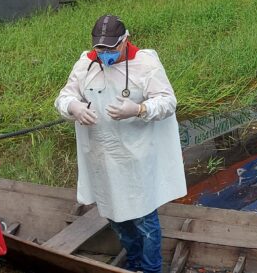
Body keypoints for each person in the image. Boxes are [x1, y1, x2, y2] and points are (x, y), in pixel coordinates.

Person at [54, 15, 186, 273]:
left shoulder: (145, 64)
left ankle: (151, 269)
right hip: (101, 155)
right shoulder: (85, 64)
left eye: (111, 48)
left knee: (145, 219)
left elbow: (168, 101)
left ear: (125, 40)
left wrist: (139, 109)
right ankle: (133, 262)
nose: (105, 54)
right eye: (100, 48)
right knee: (114, 214)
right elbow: (64, 97)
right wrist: (73, 107)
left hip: (137, 157)